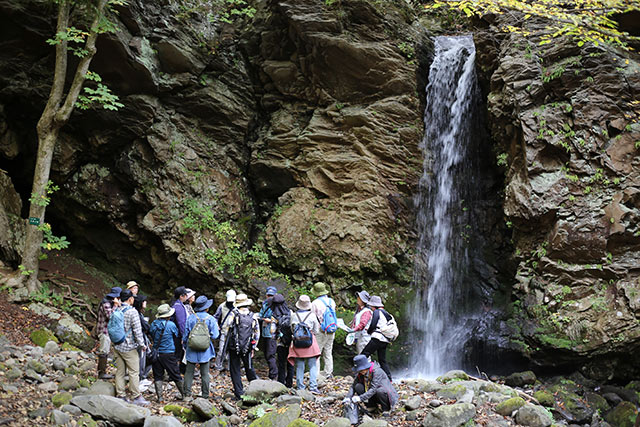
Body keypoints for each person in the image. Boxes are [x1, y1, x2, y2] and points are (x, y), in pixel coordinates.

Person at [113, 289, 149, 406]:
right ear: (130, 299)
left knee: (120, 371)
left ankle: (121, 395)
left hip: (117, 345)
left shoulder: (117, 308)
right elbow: (137, 331)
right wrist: (142, 345)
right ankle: (136, 396)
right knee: (134, 371)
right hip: (128, 346)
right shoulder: (132, 312)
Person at [182, 295, 220, 400]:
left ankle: (187, 395)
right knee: (205, 373)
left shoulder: (191, 318)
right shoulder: (211, 319)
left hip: (191, 347)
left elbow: (186, 335)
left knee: (189, 372)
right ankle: (205, 395)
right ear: (206, 308)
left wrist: (185, 345)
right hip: (205, 349)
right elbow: (216, 335)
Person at [226, 293, 259, 400]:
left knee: (235, 369)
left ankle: (239, 392)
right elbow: (256, 333)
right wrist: (254, 347)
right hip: (247, 346)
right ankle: (256, 389)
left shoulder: (233, 313)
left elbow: (227, 326)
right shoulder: (253, 315)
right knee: (249, 366)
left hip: (234, 346)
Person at [149, 304, 184, 402]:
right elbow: (176, 334)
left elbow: (151, 333)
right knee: (175, 373)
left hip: (156, 353)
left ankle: (160, 397)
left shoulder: (154, 324)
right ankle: (184, 395)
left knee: (158, 375)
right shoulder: (171, 325)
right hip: (168, 353)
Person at [288, 295, 321, 393]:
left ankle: (300, 387)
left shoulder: (294, 315)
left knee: (299, 365)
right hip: (309, 342)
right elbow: (316, 330)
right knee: (312, 365)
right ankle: (313, 386)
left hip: (298, 342)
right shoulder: (312, 315)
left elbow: (291, 328)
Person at [361, 296, 393, 381]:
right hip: (385, 340)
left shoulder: (376, 312)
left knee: (363, 355)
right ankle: (389, 378)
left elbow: (373, 324)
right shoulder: (386, 313)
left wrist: (369, 332)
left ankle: (362, 376)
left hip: (377, 338)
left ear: (373, 305)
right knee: (382, 360)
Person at [311, 282, 336, 377]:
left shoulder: (315, 303)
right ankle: (328, 372)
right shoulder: (331, 301)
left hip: (320, 330)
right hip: (331, 328)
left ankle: (316, 374)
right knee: (328, 351)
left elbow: (313, 318)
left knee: (317, 352)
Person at [95, 286, 121, 379]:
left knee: (106, 351)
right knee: (104, 351)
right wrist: (116, 305)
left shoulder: (109, 302)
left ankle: (103, 372)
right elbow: (110, 316)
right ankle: (101, 373)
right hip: (103, 331)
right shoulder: (106, 303)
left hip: (108, 331)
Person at [272, 293, 294, 387]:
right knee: (291, 362)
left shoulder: (274, 315)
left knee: (281, 363)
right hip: (291, 342)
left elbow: (272, 330)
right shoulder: (290, 312)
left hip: (280, 343)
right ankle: (289, 383)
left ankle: (281, 383)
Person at [213, 289, 236, 373]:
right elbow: (215, 317)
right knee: (221, 350)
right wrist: (217, 326)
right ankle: (218, 366)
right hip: (224, 331)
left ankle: (230, 367)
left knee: (232, 351)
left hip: (234, 333)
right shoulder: (222, 306)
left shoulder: (237, 307)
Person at [258, 286, 278, 380]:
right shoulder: (265, 304)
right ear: (266, 295)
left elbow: (280, 319)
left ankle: (273, 375)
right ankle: (272, 373)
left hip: (273, 333)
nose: (270, 297)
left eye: (271, 295)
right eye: (269, 295)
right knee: (267, 354)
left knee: (270, 354)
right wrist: (262, 319)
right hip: (265, 332)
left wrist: (270, 320)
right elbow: (260, 315)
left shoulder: (277, 305)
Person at [133, 294, 152, 388]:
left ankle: (142, 377)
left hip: (141, 339)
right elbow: (145, 327)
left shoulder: (139, 313)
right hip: (139, 340)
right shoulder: (136, 313)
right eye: (144, 301)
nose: (146, 303)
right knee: (141, 359)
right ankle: (140, 379)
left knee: (146, 358)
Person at [171, 286, 189, 373]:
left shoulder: (176, 305)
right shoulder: (178, 307)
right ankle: (174, 373)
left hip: (175, 334)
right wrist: (184, 336)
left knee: (178, 354)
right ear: (181, 296)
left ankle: (178, 371)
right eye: (185, 295)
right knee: (177, 354)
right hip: (177, 335)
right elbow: (181, 323)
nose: (187, 296)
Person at [351, 291, 373, 355]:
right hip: (360, 337)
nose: (357, 298)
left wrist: (353, 330)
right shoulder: (360, 310)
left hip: (364, 338)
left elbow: (362, 324)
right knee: (361, 356)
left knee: (363, 357)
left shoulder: (367, 311)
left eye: (359, 297)